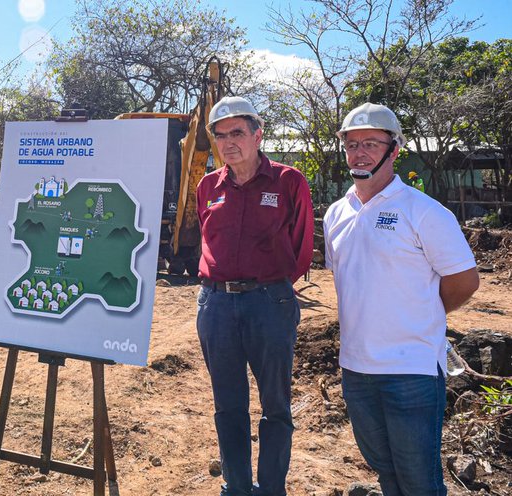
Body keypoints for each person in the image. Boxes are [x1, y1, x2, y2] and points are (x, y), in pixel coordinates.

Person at [324, 102, 479, 495]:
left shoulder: (424, 212)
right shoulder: (335, 215)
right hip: (356, 370)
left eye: (371, 144)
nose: (359, 153)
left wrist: (421, 311)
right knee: (386, 472)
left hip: (411, 370)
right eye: (352, 144)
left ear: (394, 150)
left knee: (419, 480)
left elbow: (464, 281)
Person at [195, 96, 314, 496]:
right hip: (216, 305)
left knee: (275, 404)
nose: (229, 142)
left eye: (238, 133)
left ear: (258, 135)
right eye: (221, 135)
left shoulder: (288, 181)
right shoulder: (208, 186)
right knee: (228, 404)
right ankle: (237, 485)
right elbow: (207, 238)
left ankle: (272, 487)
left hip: (270, 303)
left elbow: (301, 246)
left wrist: (271, 286)